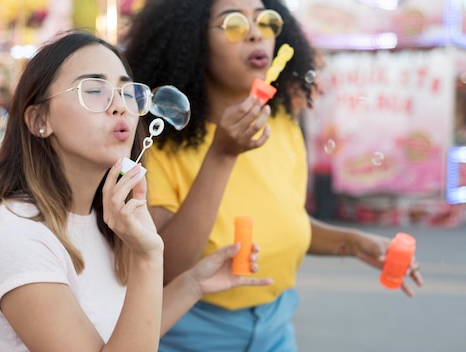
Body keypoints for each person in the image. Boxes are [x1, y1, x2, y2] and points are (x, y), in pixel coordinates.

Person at [123, 0, 424, 351]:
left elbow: (283, 220)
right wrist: (221, 155)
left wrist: (353, 243)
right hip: (188, 329)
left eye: (266, 21)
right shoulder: (158, 141)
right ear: (189, 41)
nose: (256, 33)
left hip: (276, 327)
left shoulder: (280, 122)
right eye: (233, 24)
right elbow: (169, 267)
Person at [0, 30, 272, 351]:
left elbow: (124, 338)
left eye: (128, 93)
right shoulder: (17, 238)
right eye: (94, 89)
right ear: (39, 119)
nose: (120, 106)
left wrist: (193, 283)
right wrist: (148, 257)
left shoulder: (103, 220)